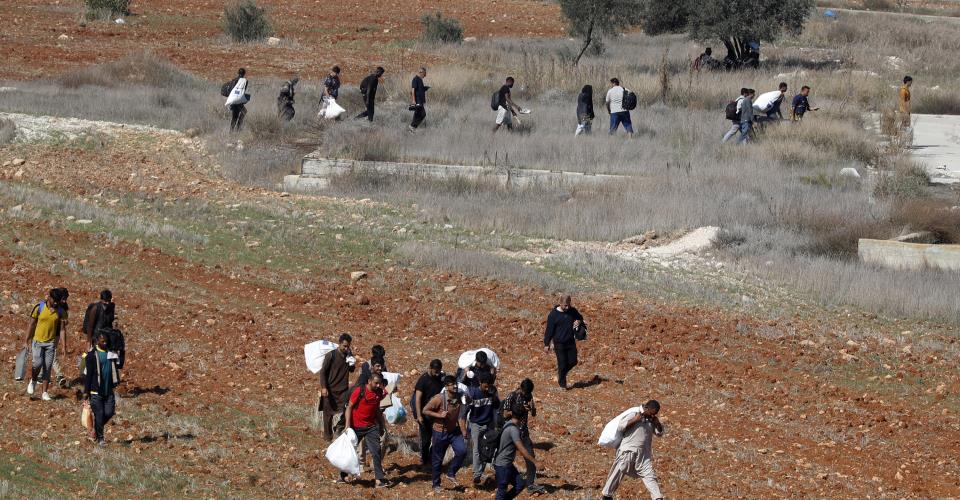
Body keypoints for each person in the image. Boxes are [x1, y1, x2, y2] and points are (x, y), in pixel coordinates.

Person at [600, 400, 665, 500]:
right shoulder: (634, 413)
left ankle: (657, 497)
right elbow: (621, 426)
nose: (653, 415)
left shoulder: (652, 420)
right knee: (619, 471)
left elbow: (659, 433)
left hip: (644, 454)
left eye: (655, 414)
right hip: (628, 451)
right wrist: (635, 419)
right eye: (652, 413)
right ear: (647, 408)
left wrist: (657, 423)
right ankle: (606, 495)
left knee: (649, 475)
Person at [341, 372, 391, 488]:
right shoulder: (359, 391)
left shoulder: (378, 393)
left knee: (376, 451)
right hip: (356, 427)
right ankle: (343, 475)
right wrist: (347, 426)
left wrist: (382, 426)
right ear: (369, 381)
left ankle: (379, 479)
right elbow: (349, 407)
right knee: (350, 451)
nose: (378, 385)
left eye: (380, 383)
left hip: (370, 427)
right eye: (376, 383)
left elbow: (377, 410)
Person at [423, 375, 469, 492]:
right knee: (438, 459)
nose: (454, 386)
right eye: (451, 384)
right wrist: (439, 415)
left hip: (453, 431)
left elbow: (461, 415)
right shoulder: (439, 398)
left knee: (462, 451)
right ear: (446, 386)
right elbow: (425, 410)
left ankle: (451, 472)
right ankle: (436, 484)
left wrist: (463, 431)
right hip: (440, 432)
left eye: (455, 384)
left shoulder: (459, 397)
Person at [501, 378, 544, 493]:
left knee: (530, 457)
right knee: (506, 458)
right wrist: (519, 409)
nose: (526, 394)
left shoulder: (529, 396)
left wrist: (532, 408)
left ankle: (530, 484)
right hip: (512, 431)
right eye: (525, 392)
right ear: (521, 388)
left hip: (524, 432)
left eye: (528, 393)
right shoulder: (512, 396)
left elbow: (534, 414)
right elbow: (505, 414)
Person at [25, 288, 68, 401]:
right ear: (49, 297)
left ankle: (44, 392)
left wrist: (63, 346)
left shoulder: (60, 312)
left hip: (50, 344)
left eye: (58, 301)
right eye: (54, 300)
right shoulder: (39, 307)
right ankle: (33, 380)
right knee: (37, 364)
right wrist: (26, 340)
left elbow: (62, 330)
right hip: (38, 342)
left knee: (47, 367)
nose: (56, 303)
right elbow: (32, 324)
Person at [493, 400, 537, 500]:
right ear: (522, 417)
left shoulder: (508, 423)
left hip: (508, 464)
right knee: (502, 490)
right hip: (503, 465)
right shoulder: (513, 430)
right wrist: (535, 462)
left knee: (520, 484)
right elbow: (522, 449)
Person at [83, 331, 121, 446]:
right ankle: (101, 439)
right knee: (99, 414)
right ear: (97, 341)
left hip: (108, 390)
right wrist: (86, 392)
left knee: (109, 412)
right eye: (102, 341)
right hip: (96, 391)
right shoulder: (91, 356)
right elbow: (88, 375)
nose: (105, 343)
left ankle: (94, 429)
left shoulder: (111, 354)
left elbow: (119, 364)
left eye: (106, 341)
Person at [463, 372, 500, 485]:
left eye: (489, 385)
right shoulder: (473, 393)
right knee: (477, 449)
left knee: (488, 448)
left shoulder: (492, 392)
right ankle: (477, 474)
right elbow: (465, 411)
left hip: (488, 424)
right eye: (485, 385)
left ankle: (482, 470)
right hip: (476, 424)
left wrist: (494, 396)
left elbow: (497, 407)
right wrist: (464, 428)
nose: (487, 387)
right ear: (480, 383)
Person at [543, 294, 586, 389]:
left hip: (570, 342)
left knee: (573, 361)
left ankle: (561, 373)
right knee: (562, 363)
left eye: (568, 305)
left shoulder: (572, 311)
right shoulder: (553, 315)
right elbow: (549, 330)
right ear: (560, 303)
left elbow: (580, 317)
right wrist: (547, 344)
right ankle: (562, 385)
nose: (567, 307)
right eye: (565, 305)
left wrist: (578, 321)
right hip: (559, 344)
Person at [319, 333, 356, 441]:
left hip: (343, 390)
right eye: (344, 346)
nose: (346, 348)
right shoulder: (331, 355)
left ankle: (338, 428)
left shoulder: (348, 355)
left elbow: (351, 370)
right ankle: (328, 436)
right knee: (328, 415)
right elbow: (323, 372)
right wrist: (324, 387)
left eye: (348, 346)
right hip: (330, 390)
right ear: (339, 344)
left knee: (347, 411)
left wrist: (352, 363)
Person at [413, 359, 445, 466]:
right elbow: (417, 399)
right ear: (430, 368)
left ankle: (432, 459)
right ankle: (424, 460)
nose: (437, 373)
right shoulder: (423, 380)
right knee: (426, 440)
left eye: (439, 371)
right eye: (435, 371)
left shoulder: (441, 378)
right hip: (425, 414)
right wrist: (419, 415)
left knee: (437, 439)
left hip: (437, 414)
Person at [409, 67, 429, 132]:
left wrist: (425, 88)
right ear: (421, 72)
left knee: (417, 114)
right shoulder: (415, 79)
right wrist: (413, 100)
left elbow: (420, 90)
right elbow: (413, 90)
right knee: (423, 114)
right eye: (424, 73)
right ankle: (412, 126)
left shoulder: (420, 80)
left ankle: (412, 130)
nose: (425, 75)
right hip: (417, 100)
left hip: (420, 101)